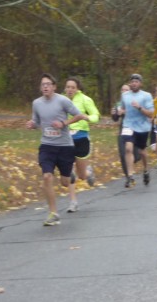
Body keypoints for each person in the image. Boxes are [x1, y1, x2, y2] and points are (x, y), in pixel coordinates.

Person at [26, 74, 88, 226]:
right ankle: (53, 213)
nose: (45, 87)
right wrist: (32, 124)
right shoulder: (37, 103)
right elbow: (37, 121)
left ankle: (70, 174)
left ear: (54, 86)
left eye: (48, 84)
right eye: (43, 85)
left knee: (65, 183)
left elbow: (79, 116)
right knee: (47, 176)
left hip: (65, 146)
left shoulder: (62, 100)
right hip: (47, 146)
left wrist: (64, 123)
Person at [63, 77, 100, 213]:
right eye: (68, 87)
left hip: (81, 138)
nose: (70, 90)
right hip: (66, 139)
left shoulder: (85, 99)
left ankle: (88, 172)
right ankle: (73, 202)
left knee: (82, 175)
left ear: (77, 88)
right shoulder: (61, 100)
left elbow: (96, 115)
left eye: (73, 87)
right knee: (69, 172)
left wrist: (88, 117)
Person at [118, 74, 155, 187]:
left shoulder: (146, 96)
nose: (134, 83)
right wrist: (120, 111)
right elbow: (122, 107)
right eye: (132, 81)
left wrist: (139, 107)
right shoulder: (125, 95)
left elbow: (151, 113)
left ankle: (146, 170)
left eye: (136, 82)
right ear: (130, 83)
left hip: (142, 127)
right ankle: (130, 176)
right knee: (128, 148)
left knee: (142, 152)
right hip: (128, 125)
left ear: (140, 83)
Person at [112, 84, 140, 177]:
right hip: (123, 129)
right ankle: (128, 175)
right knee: (123, 151)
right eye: (122, 90)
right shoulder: (118, 104)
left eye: (126, 90)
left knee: (136, 155)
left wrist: (126, 111)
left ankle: (134, 160)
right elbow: (115, 118)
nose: (124, 91)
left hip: (135, 128)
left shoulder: (134, 101)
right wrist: (114, 114)